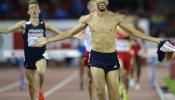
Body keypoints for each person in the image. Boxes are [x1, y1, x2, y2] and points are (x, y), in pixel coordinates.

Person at [34, 0, 162, 99]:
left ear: (107, 2)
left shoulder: (115, 18)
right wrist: (48, 40)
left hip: (111, 57)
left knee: (114, 96)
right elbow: (70, 33)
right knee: (100, 93)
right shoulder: (88, 19)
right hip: (96, 58)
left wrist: (155, 40)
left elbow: (134, 32)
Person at [0, 0, 63, 100]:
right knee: (30, 84)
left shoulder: (45, 24)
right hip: (29, 56)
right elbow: (7, 30)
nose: (34, 9)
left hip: (41, 54)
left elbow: (61, 33)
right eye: (31, 8)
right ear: (28, 12)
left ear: (39, 10)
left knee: (41, 71)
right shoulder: (24, 24)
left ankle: (41, 90)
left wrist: (74, 34)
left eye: (35, 7)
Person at [74, 0, 97, 99]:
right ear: (88, 7)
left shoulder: (105, 19)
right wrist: (80, 35)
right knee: (91, 77)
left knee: (102, 76)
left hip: (102, 51)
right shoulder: (83, 18)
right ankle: (91, 96)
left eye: (95, 5)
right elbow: (77, 32)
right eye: (92, 5)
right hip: (88, 49)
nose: (94, 7)